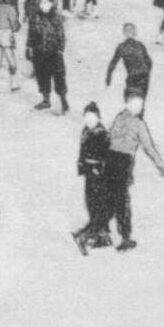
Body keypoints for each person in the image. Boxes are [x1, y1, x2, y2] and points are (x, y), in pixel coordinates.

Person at [103, 96, 164, 251]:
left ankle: (101, 229)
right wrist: (159, 163)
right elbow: (148, 146)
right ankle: (125, 237)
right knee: (122, 199)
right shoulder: (139, 124)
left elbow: (108, 136)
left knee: (109, 195)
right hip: (123, 162)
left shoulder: (118, 118)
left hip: (110, 159)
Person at [71, 103, 113, 253]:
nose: (88, 120)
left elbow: (107, 156)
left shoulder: (102, 133)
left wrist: (99, 169)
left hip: (98, 174)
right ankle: (96, 227)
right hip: (89, 171)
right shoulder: (86, 130)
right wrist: (81, 163)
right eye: (86, 117)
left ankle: (101, 233)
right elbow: (82, 149)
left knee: (98, 201)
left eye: (91, 117)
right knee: (90, 200)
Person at [26, 0, 68, 115]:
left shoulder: (56, 18)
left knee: (59, 77)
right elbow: (31, 33)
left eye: (45, 2)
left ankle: (63, 101)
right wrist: (29, 47)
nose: (42, 5)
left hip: (53, 52)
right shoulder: (35, 18)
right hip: (39, 52)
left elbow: (61, 35)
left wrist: (60, 50)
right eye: (40, 2)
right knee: (42, 76)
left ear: (51, 3)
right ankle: (46, 100)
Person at [105, 22, 154, 108]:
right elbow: (149, 62)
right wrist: (147, 73)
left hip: (132, 76)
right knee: (141, 101)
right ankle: (139, 117)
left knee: (129, 99)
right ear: (135, 33)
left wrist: (108, 78)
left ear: (124, 33)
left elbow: (113, 63)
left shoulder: (121, 47)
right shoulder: (140, 45)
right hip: (144, 76)